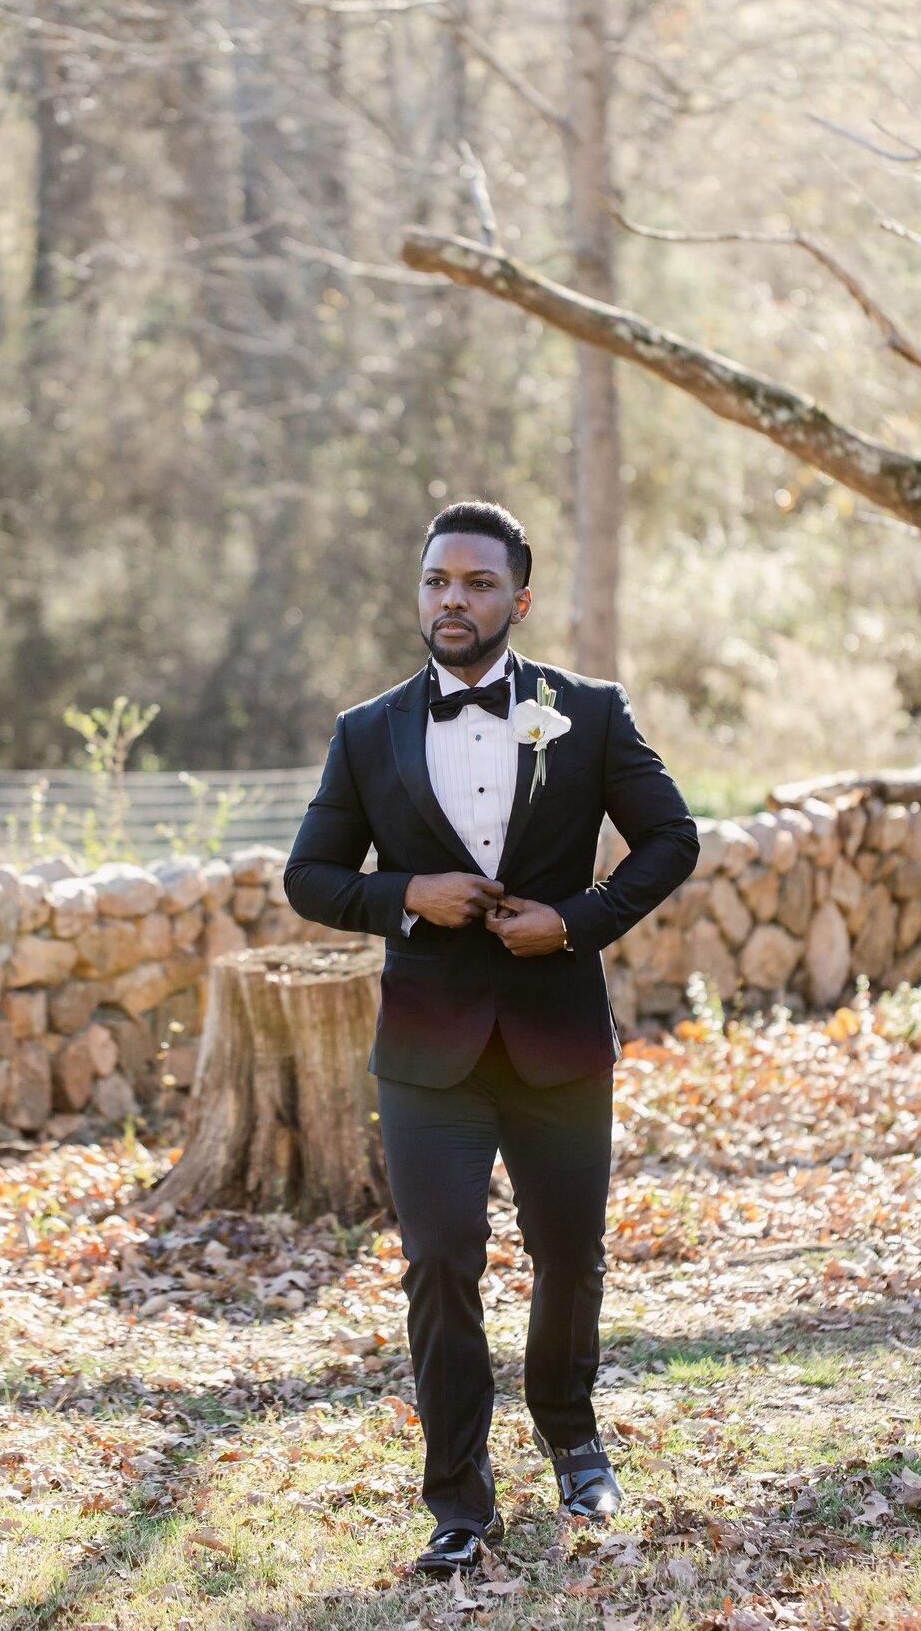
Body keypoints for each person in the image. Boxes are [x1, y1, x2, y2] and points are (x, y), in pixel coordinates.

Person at [283, 499, 700, 1576]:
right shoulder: (365, 732)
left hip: (559, 1033)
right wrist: (407, 892)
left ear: (515, 599)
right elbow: (310, 878)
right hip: (427, 1049)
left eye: (474, 584)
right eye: (435, 581)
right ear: (418, 592)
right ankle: (459, 1501)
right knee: (438, 1263)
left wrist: (581, 919)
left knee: (569, 1255)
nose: (451, 600)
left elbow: (671, 837)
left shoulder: (589, 712)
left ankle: (572, 1436)